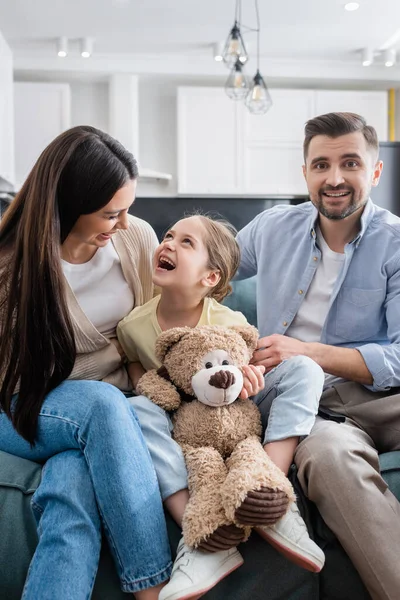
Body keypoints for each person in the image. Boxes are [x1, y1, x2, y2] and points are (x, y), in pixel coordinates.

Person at [0, 125, 173, 600]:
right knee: (99, 405)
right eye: (109, 213)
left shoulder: (134, 238)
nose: (122, 223)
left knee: (72, 479)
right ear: (66, 205)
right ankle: (153, 590)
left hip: (108, 413)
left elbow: (162, 326)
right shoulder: (11, 267)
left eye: (127, 209)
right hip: (19, 407)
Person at [235, 111, 400, 600]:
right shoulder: (271, 229)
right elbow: (204, 265)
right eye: (320, 164)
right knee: (328, 458)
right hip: (310, 410)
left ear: (374, 171)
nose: (334, 178)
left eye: (350, 163)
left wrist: (307, 351)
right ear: (304, 172)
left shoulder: (395, 242)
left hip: (380, 396)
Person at [117, 214, 325, 600]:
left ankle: (267, 484)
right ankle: (200, 519)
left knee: (306, 370)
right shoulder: (133, 325)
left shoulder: (229, 321)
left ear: (210, 278)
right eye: (168, 236)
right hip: (183, 417)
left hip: (236, 407)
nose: (168, 244)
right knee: (137, 409)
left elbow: (251, 365)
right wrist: (147, 387)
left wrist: (250, 376)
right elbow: (136, 368)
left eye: (186, 243)